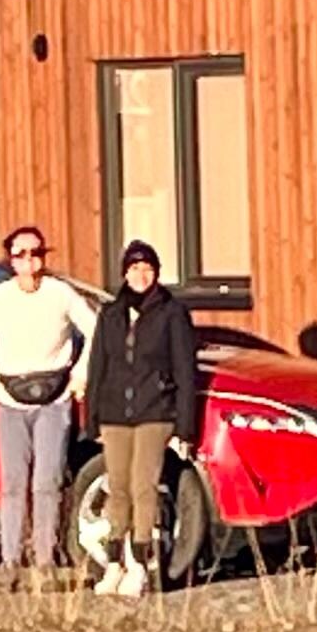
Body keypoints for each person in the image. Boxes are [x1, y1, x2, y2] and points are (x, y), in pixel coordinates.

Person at [0, 226, 96, 583]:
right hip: (10, 400)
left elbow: (96, 329)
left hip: (54, 399)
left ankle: (45, 560)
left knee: (48, 482)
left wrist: (80, 376)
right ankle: (10, 561)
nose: (29, 261)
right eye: (21, 255)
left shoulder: (61, 294)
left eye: (36, 253)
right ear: (11, 261)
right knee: (13, 484)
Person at [81, 238, 204, 597]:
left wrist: (184, 426)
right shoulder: (111, 314)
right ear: (124, 273)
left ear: (157, 273)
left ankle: (139, 563)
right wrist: (92, 417)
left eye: (147, 268)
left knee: (142, 486)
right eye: (134, 268)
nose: (141, 275)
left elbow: (185, 371)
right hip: (115, 413)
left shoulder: (171, 313)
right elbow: (98, 366)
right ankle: (114, 563)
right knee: (117, 488)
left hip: (155, 411)